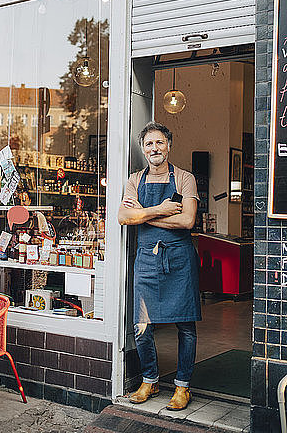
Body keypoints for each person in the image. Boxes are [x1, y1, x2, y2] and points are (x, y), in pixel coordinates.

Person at [118, 121, 201, 411]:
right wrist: (162, 209)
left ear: (169, 146)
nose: (154, 148)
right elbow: (122, 217)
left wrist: (141, 214)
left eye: (160, 143)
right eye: (149, 144)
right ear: (143, 149)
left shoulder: (185, 179)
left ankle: (182, 387)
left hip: (179, 258)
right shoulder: (134, 179)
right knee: (141, 324)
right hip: (147, 259)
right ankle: (149, 379)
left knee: (185, 325)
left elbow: (187, 221)